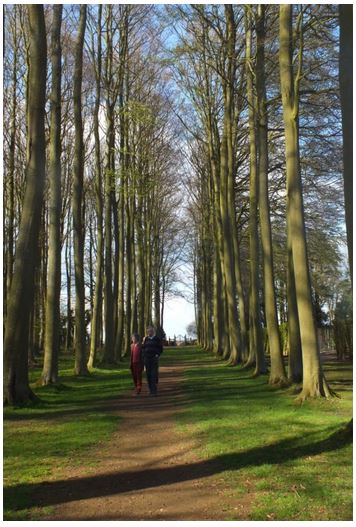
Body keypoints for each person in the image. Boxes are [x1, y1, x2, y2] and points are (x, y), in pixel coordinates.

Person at [142, 326, 163, 396]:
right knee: (148, 374)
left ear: (153, 331)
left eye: (150, 331)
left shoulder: (157, 339)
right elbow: (143, 348)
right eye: (148, 331)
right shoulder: (146, 339)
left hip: (154, 358)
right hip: (147, 359)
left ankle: (154, 391)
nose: (149, 332)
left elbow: (160, 348)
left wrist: (157, 354)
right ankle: (150, 389)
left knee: (153, 374)